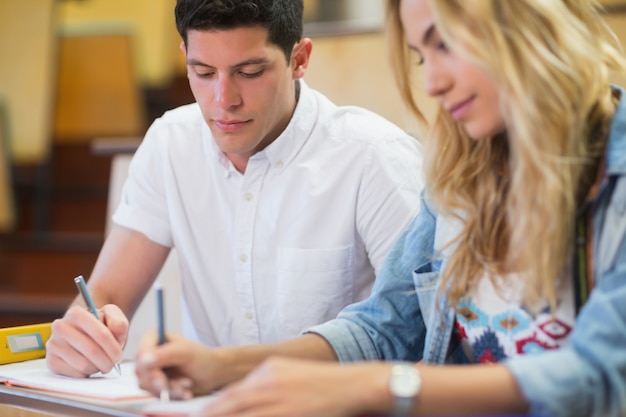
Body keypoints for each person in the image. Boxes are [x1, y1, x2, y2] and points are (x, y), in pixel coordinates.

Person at [133, 0, 626, 416]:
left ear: (526, 25)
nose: (432, 82)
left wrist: (378, 386)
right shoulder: (461, 176)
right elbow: (387, 324)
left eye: (446, 45)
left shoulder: (615, 176)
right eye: (420, 57)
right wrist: (228, 367)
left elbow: (604, 373)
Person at [45, 0, 424, 378]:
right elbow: (105, 296)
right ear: (185, 58)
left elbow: (422, 331)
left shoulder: (373, 158)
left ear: (299, 60)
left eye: (249, 71)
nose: (224, 100)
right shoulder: (170, 144)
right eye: (204, 72)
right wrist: (82, 337)